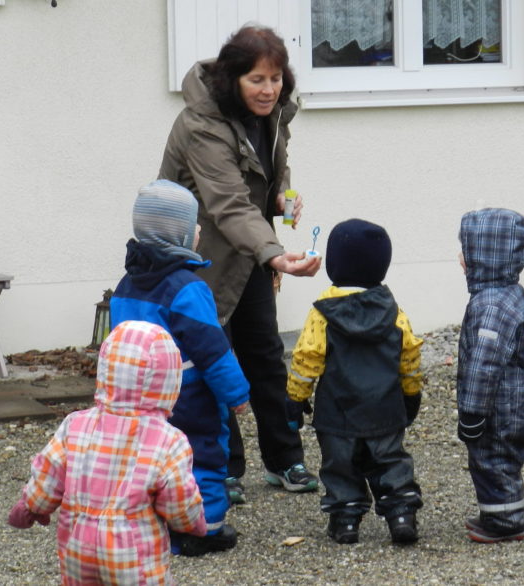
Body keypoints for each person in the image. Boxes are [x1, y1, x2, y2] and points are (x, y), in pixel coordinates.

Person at [158, 24, 322, 500]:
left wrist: (282, 199)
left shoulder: (272, 115)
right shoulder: (200, 124)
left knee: (265, 357)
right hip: (196, 258)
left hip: (247, 251)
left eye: (275, 79)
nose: (269, 89)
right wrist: (275, 254)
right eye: (257, 80)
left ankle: (285, 460)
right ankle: (222, 468)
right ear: (233, 80)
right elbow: (227, 203)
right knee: (211, 361)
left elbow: (268, 173)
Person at [109, 179, 250, 556]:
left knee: (147, 459)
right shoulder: (188, 289)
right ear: (179, 235)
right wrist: (237, 394)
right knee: (201, 456)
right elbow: (212, 350)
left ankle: (156, 524)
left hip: (134, 397)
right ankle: (204, 528)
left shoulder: (125, 285)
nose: (200, 230)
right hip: (187, 396)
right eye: (194, 224)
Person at [7, 320, 207, 584]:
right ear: (169, 381)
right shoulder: (168, 440)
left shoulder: (76, 424)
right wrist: (193, 522)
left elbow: (48, 474)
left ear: (106, 370)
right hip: (133, 554)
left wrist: (30, 507)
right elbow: (178, 498)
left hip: (77, 544)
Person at [286, 219, 425, 545]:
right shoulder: (394, 312)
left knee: (340, 466)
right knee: (391, 461)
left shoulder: (323, 313)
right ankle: (401, 513)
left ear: (334, 264)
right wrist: (411, 393)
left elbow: (307, 358)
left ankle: (345, 519)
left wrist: (295, 397)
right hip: (385, 408)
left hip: (337, 412)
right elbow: (409, 356)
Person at [456, 208, 524, 543]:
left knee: (491, 457)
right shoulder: (511, 293)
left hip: (504, 405)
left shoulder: (491, 306)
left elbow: (484, 366)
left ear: (483, 257)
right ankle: (503, 511)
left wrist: (472, 413)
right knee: (505, 459)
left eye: (467, 251)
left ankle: (505, 522)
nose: (462, 258)